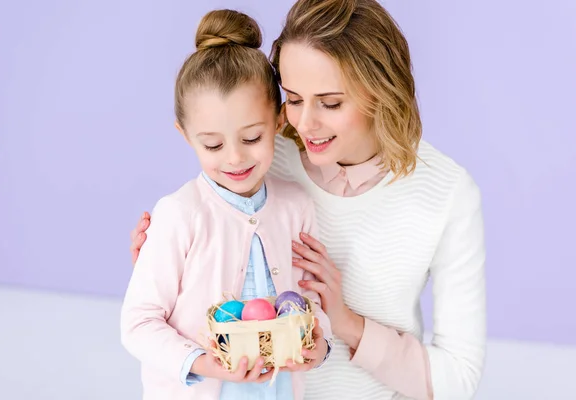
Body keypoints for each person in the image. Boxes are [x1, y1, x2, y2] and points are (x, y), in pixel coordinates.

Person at [130, 0, 486, 399]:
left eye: (331, 103)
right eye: (294, 99)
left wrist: (345, 323)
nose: (304, 125)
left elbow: (457, 380)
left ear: (382, 92)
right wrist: (165, 264)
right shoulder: (260, 155)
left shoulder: (448, 193)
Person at [120, 9, 333, 400]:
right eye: (213, 145)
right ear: (185, 136)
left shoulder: (296, 206)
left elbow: (311, 304)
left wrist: (319, 347)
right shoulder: (179, 214)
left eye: (252, 137)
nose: (235, 158)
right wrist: (202, 362)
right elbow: (138, 322)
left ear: (279, 121)